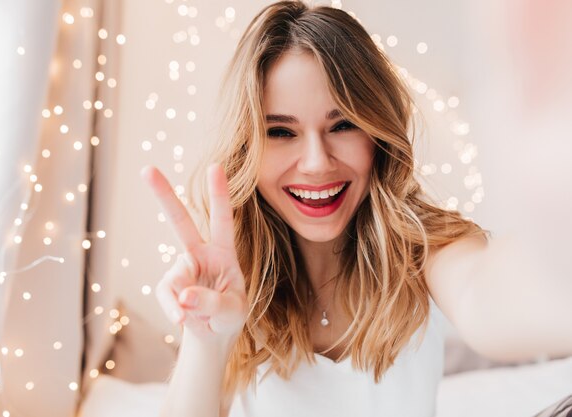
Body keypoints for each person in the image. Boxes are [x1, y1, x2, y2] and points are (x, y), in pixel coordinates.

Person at [140, 1, 572, 416]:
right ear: (247, 145)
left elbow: (486, 301)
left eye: (342, 124)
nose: (316, 162)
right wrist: (205, 341)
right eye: (281, 132)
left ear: (377, 134)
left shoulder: (425, 248)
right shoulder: (230, 278)